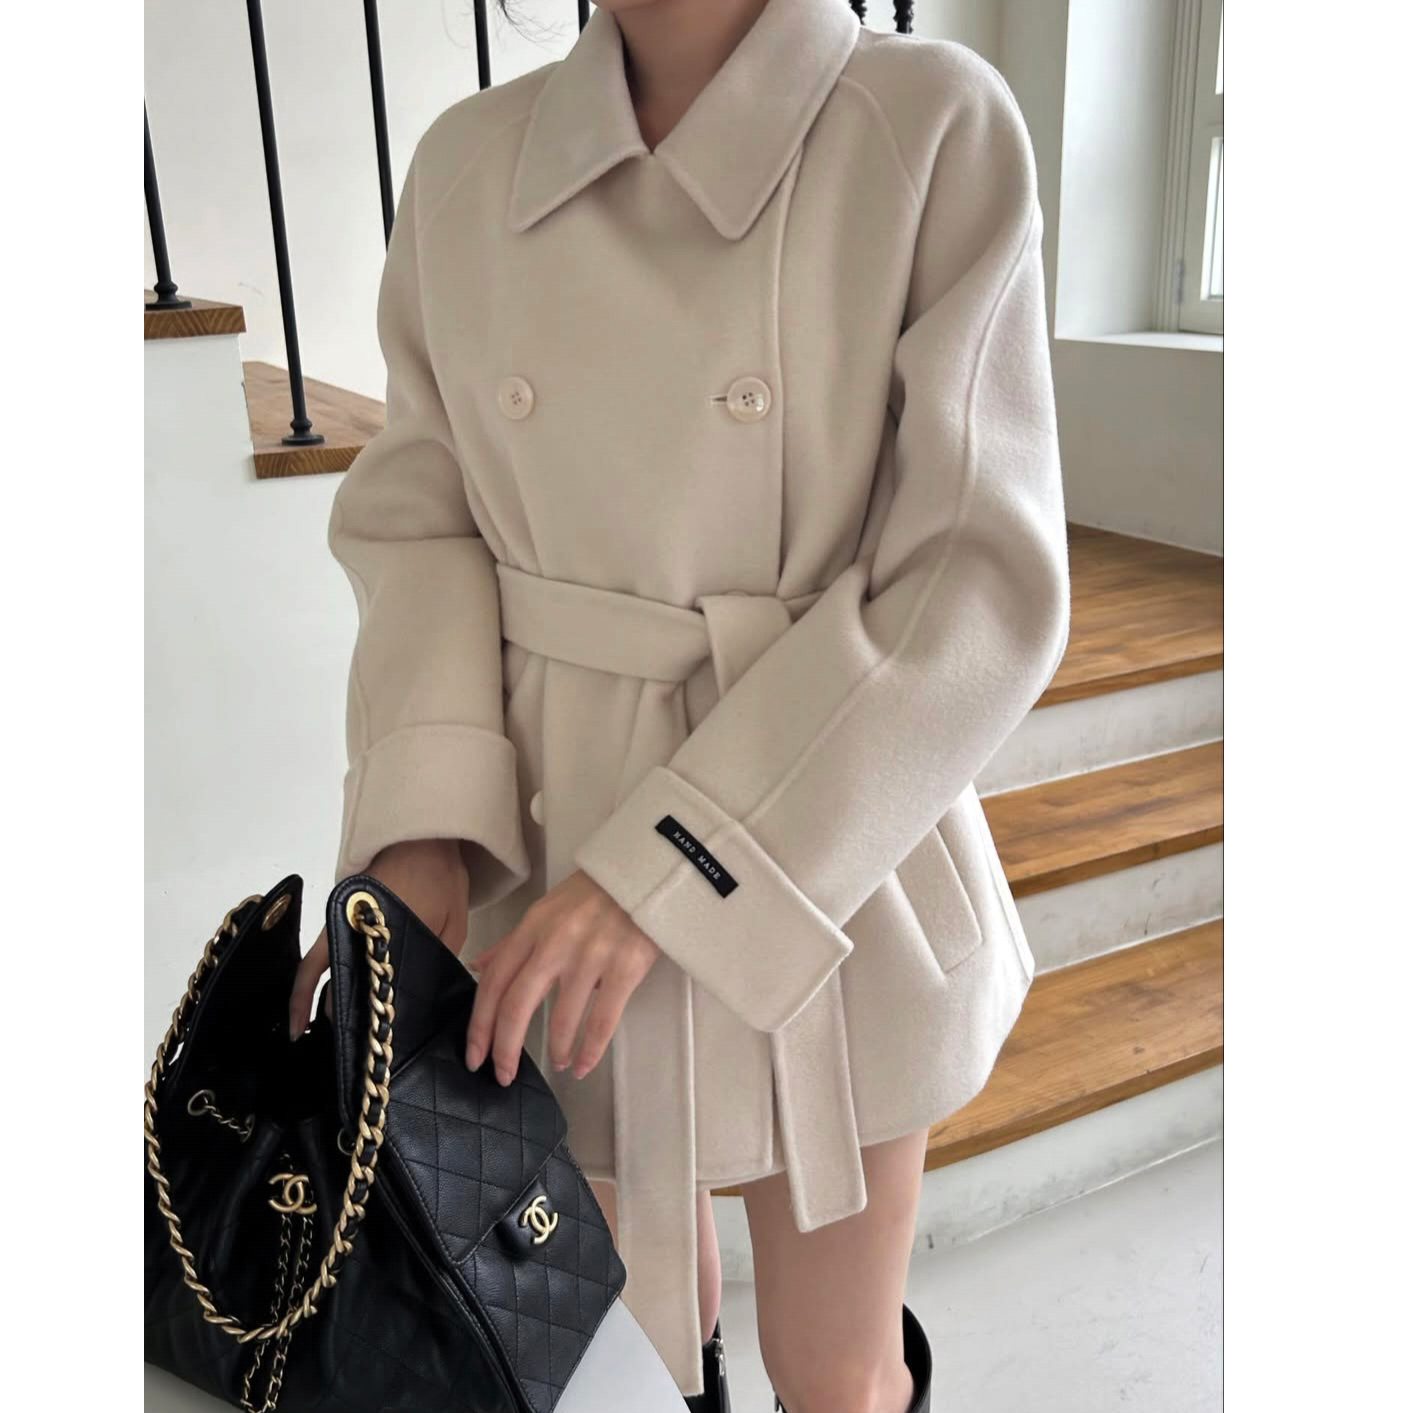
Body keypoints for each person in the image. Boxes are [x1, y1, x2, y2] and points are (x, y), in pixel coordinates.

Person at [289, 1, 1070, 1410]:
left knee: (833, 1366)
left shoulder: (927, 127)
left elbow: (975, 578)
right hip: (544, 844)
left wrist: (676, 865)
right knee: (617, 1352)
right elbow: (421, 523)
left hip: (817, 829)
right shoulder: (468, 164)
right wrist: (418, 831)